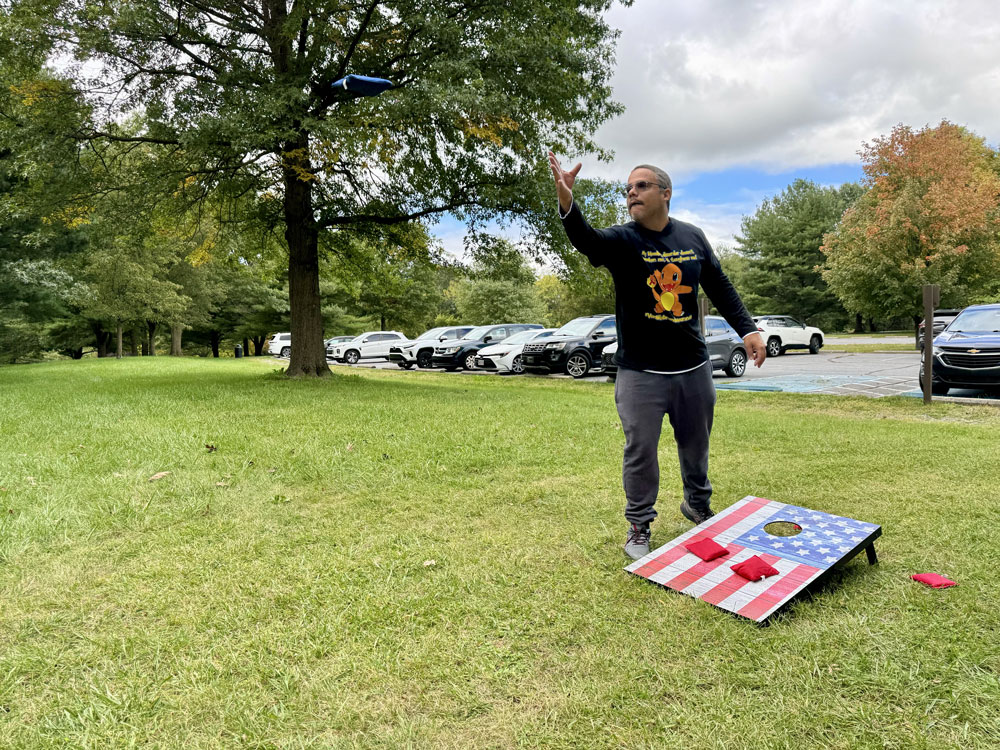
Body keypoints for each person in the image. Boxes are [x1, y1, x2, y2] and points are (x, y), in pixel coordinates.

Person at [548, 151, 766, 560]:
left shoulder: (693, 237)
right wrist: (567, 201)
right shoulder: (623, 240)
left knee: (696, 445)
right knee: (641, 451)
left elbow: (719, 285)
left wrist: (748, 330)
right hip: (640, 372)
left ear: (666, 193)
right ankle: (639, 524)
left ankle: (697, 505)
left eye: (642, 185)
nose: (632, 193)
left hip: (693, 368)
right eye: (628, 188)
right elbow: (586, 240)